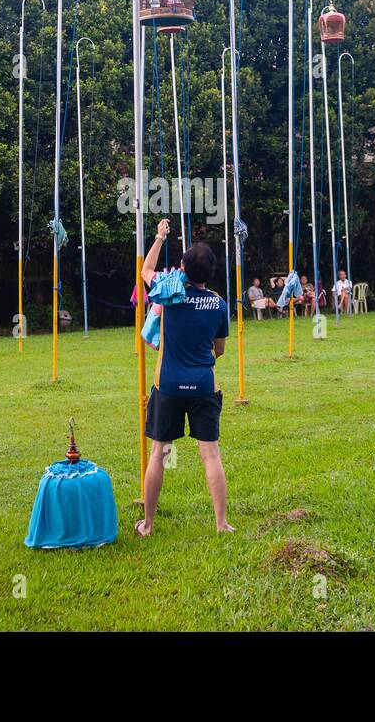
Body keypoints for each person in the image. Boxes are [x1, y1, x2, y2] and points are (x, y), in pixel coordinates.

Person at [136, 218, 234, 537]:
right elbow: (218, 350)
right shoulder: (219, 304)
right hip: (204, 386)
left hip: (168, 386)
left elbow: (145, 272)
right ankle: (221, 523)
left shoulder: (169, 294)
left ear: (181, 268)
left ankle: (148, 524)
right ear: (211, 272)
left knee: (159, 453)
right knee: (211, 455)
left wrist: (160, 237)